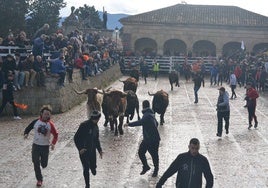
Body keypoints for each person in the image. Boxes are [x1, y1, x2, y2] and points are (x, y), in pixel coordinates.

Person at [23, 105, 58, 187]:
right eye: (45, 114)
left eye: (48, 114)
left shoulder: (50, 124)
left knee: (44, 164)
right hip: (36, 146)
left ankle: (43, 163)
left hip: (45, 147)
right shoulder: (36, 122)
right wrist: (26, 133)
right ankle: (39, 179)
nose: (46, 116)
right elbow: (28, 127)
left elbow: (56, 135)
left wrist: (53, 143)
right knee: (35, 162)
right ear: (41, 114)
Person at [124, 100, 160, 177]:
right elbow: (157, 123)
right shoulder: (151, 114)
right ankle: (146, 166)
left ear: (143, 106)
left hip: (152, 139)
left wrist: (129, 124)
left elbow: (140, 122)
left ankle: (155, 170)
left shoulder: (147, 115)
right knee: (142, 152)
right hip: (150, 138)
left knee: (153, 155)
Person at [74, 110, 103, 188]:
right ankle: (87, 185)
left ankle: (93, 167)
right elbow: (76, 138)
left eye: (97, 119)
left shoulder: (96, 127)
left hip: (92, 151)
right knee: (86, 168)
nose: (96, 120)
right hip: (84, 151)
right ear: (92, 118)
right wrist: (80, 148)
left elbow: (96, 139)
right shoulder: (84, 125)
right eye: (95, 119)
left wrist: (100, 150)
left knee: (93, 170)